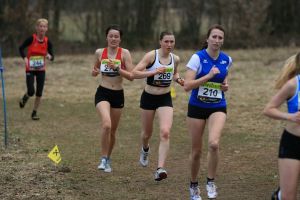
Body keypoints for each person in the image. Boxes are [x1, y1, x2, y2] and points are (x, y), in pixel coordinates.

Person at [183, 24, 232, 200]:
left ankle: (210, 181)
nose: (217, 40)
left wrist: (225, 86)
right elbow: (187, 86)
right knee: (196, 151)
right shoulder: (197, 58)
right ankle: (194, 185)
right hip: (196, 107)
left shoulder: (227, 59)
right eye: (214, 37)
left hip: (217, 106)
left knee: (213, 144)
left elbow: (224, 82)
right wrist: (207, 76)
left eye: (220, 38)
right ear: (207, 39)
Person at [132, 31, 184, 181]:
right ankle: (145, 149)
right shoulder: (151, 56)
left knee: (165, 132)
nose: (169, 45)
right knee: (146, 133)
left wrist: (179, 80)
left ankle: (160, 168)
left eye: (172, 42)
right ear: (160, 42)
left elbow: (175, 74)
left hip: (165, 98)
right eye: (166, 41)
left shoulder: (175, 58)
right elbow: (135, 73)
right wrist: (153, 71)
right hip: (148, 98)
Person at [92, 24, 133, 173]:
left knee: (113, 131)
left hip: (118, 94)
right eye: (111, 36)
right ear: (106, 37)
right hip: (102, 92)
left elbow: (131, 76)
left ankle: (108, 159)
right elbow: (95, 69)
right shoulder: (99, 52)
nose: (114, 38)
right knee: (107, 125)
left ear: (120, 39)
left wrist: (117, 69)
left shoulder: (125, 53)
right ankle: (103, 159)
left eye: (116, 36)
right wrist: (95, 71)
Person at [263, 52, 300, 200]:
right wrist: (290, 116)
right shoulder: (293, 84)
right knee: (288, 197)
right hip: (293, 143)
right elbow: (268, 109)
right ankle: (279, 195)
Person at [19, 18, 54, 120]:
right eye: (40, 26)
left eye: (44, 26)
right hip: (30, 68)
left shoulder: (48, 41)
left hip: (41, 70)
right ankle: (25, 97)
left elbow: (52, 56)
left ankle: (34, 113)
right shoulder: (31, 39)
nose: (42, 28)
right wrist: (25, 58)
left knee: (39, 92)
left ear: (46, 29)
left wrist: (49, 56)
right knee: (31, 91)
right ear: (37, 28)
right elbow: (20, 48)